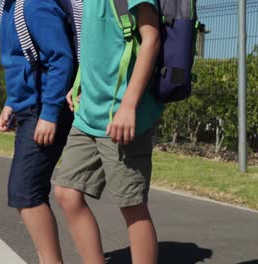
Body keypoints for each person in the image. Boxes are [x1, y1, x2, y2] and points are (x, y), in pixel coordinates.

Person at [53, 0, 163, 263]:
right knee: (66, 193)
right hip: (88, 112)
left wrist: (129, 105)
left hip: (121, 117)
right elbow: (97, 46)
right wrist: (81, 84)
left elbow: (151, 39)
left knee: (131, 205)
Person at [0, 0, 75, 263]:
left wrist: (50, 113)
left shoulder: (34, 5)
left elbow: (61, 58)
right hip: (29, 108)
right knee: (27, 192)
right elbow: (20, 63)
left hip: (43, 110)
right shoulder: (8, 8)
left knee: (26, 192)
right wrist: (11, 102)